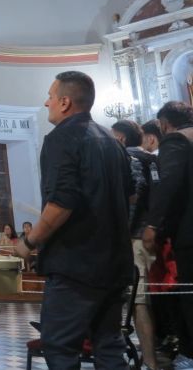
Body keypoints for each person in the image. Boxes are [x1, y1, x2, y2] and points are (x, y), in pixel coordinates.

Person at [16, 71, 133, 369]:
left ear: (65, 102)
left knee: (60, 347)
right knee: (109, 347)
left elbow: (61, 203)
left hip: (76, 266)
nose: (46, 103)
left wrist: (29, 241)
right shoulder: (111, 139)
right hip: (115, 262)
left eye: (51, 97)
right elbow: (129, 195)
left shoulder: (62, 138)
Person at [143, 101, 193, 369]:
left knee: (189, 295)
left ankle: (190, 354)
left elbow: (169, 184)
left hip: (189, 232)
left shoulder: (176, 140)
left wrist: (153, 225)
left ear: (164, 124)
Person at [111, 119, 159, 370]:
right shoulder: (151, 157)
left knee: (138, 302)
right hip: (149, 234)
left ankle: (150, 362)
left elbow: (135, 193)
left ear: (120, 139)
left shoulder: (130, 159)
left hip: (135, 237)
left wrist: (122, 230)